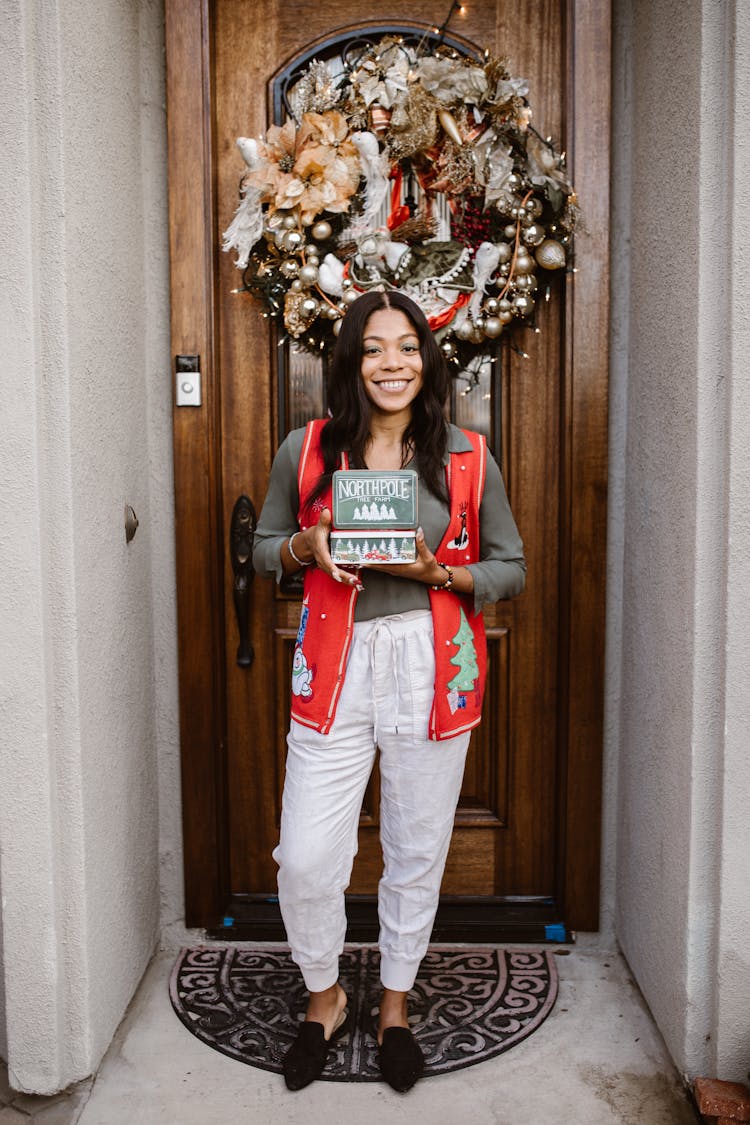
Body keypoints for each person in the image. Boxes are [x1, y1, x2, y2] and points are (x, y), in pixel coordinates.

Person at [252, 289, 526, 1093]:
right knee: (305, 856)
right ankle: (326, 995)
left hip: (432, 662)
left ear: (427, 358)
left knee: (416, 847)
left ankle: (395, 1006)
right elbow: (267, 548)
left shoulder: (470, 456)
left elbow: (509, 565)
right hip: (335, 661)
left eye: (406, 346)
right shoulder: (306, 451)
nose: (392, 363)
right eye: (374, 348)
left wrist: (437, 570)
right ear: (351, 360)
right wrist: (306, 544)